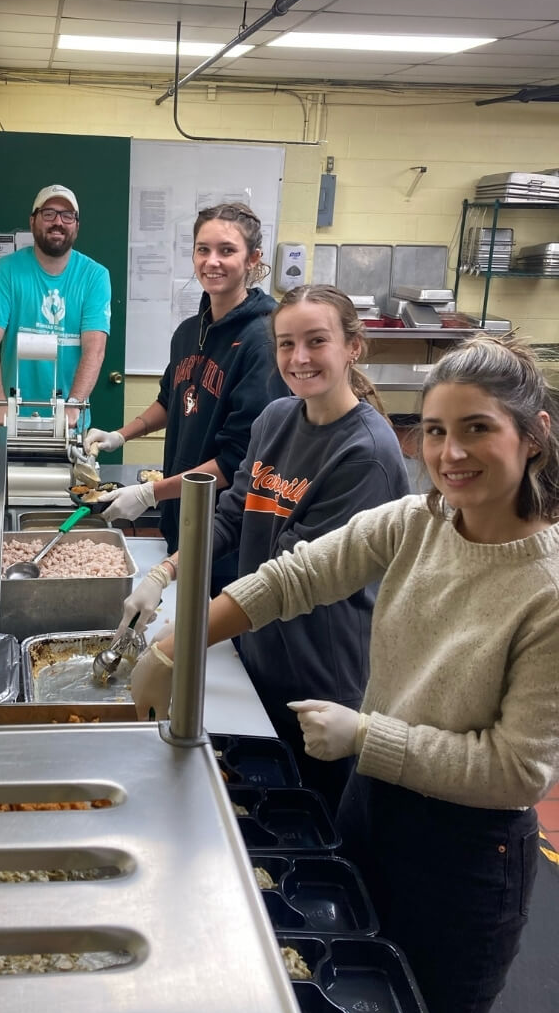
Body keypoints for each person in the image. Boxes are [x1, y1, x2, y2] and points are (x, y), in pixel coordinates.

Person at [132, 332, 559, 1013]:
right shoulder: (417, 521)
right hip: (372, 810)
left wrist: (368, 735)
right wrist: (178, 642)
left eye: (476, 429)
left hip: (465, 859)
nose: (449, 453)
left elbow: (515, 771)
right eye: (433, 431)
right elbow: (294, 576)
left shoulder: (546, 591)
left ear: (533, 435)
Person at [122, 285, 409, 810]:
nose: (299, 359)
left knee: (305, 822)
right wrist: (164, 572)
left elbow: (294, 576)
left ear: (353, 346)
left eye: (316, 341)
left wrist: (181, 641)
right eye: (286, 344)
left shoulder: (365, 453)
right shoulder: (276, 419)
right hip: (258, 652)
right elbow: (231, 515)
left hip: (319, 676)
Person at [83, 202, 286, 576]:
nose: (212, 261)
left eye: (227, 250)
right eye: (203, 249)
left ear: (253, 258)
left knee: (215, 627)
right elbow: (170, 400)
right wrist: (119, 435)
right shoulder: (188, 332)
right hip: (182, 509)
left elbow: (238, 459)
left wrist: (148, 494)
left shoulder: (263, 341)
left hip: (227, 527)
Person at [0, 184, 110, 429]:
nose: (58, 221)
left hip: (70, 425)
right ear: (32, 221)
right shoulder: (6, 271)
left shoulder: (95, 276)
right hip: (12, 421)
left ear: (77, 225)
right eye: (49, 213)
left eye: (67, 215)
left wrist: (74, 405)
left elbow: (95, 349)